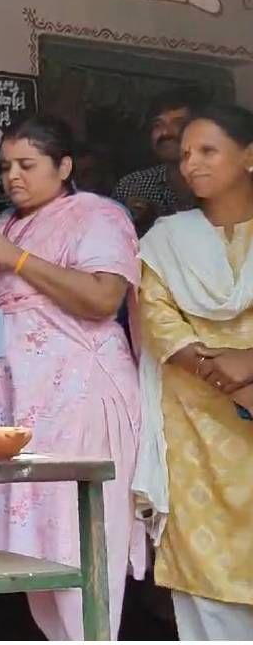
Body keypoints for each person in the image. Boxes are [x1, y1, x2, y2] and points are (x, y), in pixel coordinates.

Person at [0, 115, 145, 640]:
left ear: (64, 166)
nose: (13, 176)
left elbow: (103, 298)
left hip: (75, 401)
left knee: (76, 539)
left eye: (27, 165)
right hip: (12, 409)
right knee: (35, 550)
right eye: (6, 166)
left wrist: (19, 259)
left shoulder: (97, 216)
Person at [135, 103, 253, 639]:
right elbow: (154, 316)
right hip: (194, 425)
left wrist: (249, 362)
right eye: (185, 154)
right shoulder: (166, 239)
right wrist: (216, 368)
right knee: (202, 561)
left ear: (248, 156)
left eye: (208, 150)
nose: (192, 164)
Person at [113, 86, 205, 236]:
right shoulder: (133, 185)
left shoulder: (221, 186)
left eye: (178, 123)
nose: (165, 132)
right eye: (158, 125)